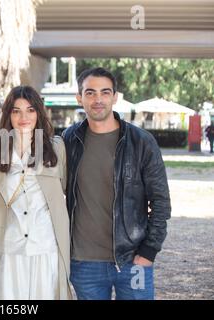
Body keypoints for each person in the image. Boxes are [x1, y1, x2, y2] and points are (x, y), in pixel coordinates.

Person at [62, 67, 171, 300]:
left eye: (105, 92)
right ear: (79, 98)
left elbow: (161, 201)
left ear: (115, 97)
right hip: (83, 263)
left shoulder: (141, 141)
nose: (98, 99)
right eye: (90, 93)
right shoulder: (68, 140)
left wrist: (148, 252)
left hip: (134, 261)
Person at [0, 85, 71, 300]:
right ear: (9, 116)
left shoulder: (57, 148)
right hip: (9, 248)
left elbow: (66, 189)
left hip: (45, 246)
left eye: (30, 110)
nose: (24, 117)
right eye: (16, 111)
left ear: (39, 113)